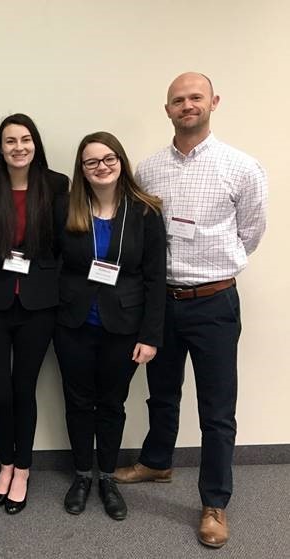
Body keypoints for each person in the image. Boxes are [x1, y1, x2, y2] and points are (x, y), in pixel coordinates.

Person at [114, 72, 268, 547]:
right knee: (161, 392)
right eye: (178, 100)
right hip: (162, 302)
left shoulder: (241, 167)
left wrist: (218, 266)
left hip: (213, 301)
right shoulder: (149, 168)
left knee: (217, 409)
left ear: (213, 102)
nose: (187, 105)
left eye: (195, 97)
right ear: (167, 110)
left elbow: (252, 232)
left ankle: (215, 502)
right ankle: (157, 462)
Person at [55, 132, 166, 520]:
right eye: (91, 162)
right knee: (78, 402)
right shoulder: (67, 209)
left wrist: (151, 336)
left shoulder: (145, 211)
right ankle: (82, 475)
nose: (101, 167)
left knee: (111, 404)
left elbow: (155, 278)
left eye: (108, 159)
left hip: (125, 326)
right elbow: (54, 264)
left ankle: (107, 477)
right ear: (82, 170)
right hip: (73, 323)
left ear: (120, 161)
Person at [0, 114, 68, 514]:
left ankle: (24, 468)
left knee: (23, 389)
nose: (18, 147)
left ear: (36, 143)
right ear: (1, 146)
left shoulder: (57, 184)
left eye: (25, 139)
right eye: (10, 141)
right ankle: (5, 464)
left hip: (38, 303)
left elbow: (65, 242)